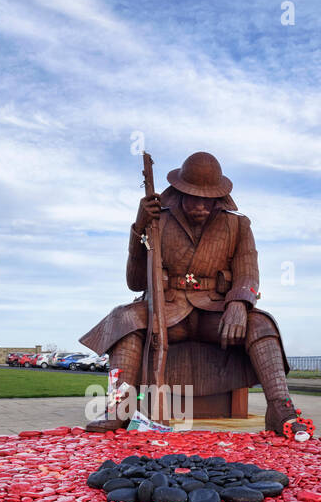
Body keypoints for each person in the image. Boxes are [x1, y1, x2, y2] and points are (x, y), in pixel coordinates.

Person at [81, 151, 306, 435]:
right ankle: (118, 408)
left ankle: (280, 409)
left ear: (218, 197)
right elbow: (135, 282)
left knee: (262, 323)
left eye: (208, 199)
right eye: (194, 197)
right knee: (123, 319)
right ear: (179, 191)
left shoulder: (238, 225)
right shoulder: (156, 221)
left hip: (214, 313)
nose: (201, 206)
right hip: (167, 310)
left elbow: (248, 272)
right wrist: (139, 228)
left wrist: (239, 302)